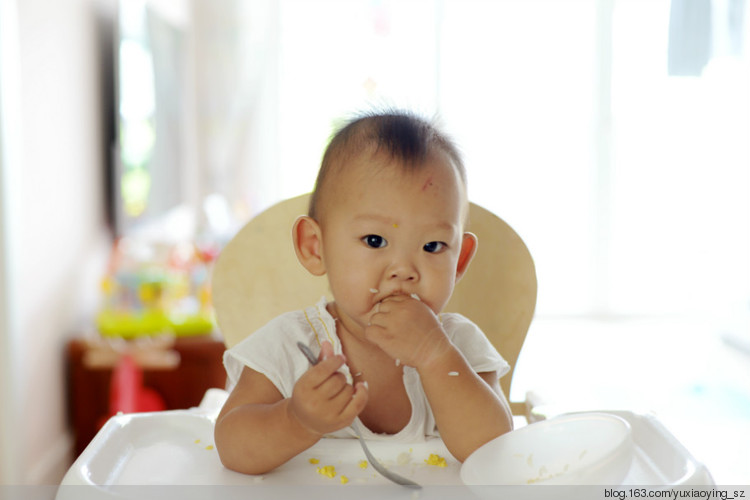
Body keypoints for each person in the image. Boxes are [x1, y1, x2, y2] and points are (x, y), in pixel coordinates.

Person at [214, 110, 513, 475]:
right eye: (375, 240)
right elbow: (231, 446)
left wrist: (436, 358)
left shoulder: (458, 346)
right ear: (315, 247)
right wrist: (295, 420)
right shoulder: (293, 346)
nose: (404, 269)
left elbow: (495, 451)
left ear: (460, 260)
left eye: (433, 246)